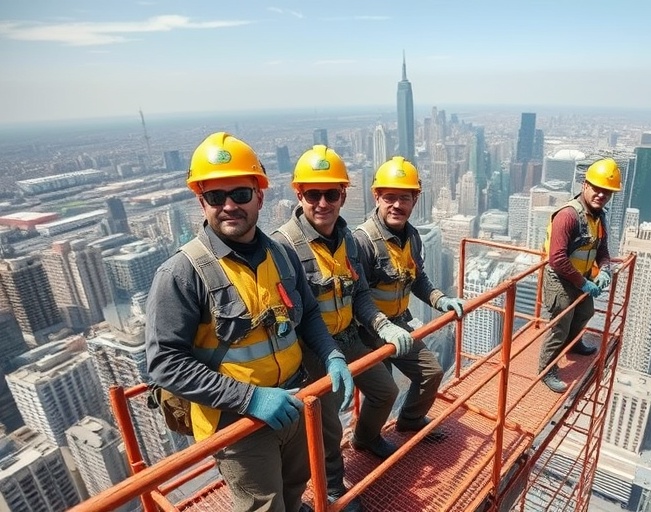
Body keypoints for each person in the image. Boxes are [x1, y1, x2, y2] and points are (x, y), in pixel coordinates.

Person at [145, 132, 354, 512]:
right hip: (236, 422)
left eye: (240, 194)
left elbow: (307, 314)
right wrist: (251, 397)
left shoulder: (282, 254)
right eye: (215, 196)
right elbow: (165, 364)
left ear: (260, 195)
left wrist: (332, 355)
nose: (229, 206)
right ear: (201, 201)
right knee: (264, 505)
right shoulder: (181, 273)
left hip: (294, 399)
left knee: (296, 483)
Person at [273, 146, 415, 510]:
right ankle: (334, 487)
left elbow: (360, 293)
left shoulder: (348, 240)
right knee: (329, 423)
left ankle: (366, 439)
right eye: (313, 194)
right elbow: (294, 316)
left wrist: (381, 323)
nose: (323, 203)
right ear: (299, 194)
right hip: (314, 350)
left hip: (349, 338)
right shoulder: (284, 246)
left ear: (343, 196)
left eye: (331, 194)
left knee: (384, 390)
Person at [353, 156, 463, 439]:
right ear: (377, 197)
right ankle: (366, 440)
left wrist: (441, 299)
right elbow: (356, 296)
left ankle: (410, 420)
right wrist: (381, 327)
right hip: (367, 331)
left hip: (398, 325)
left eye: (405, 198)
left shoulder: (412, 237)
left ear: (415, 200)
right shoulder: (363, 242)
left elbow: (417, 279)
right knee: (384, 392)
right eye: (389, 197)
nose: (397, 205)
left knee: (431, 372)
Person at [538, 158, 621, 394]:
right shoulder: (568, 216)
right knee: (560, 326)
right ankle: (547, 369)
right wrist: (583, 282)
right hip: (560, 280)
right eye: (597, 189)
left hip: (581, 278)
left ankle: (573, 346)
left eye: (607, 192)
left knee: (585, 312)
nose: (601, 195)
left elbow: (602, 250)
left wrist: (604, 269)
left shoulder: (598, 216)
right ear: (585, 185)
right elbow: (557, 258)